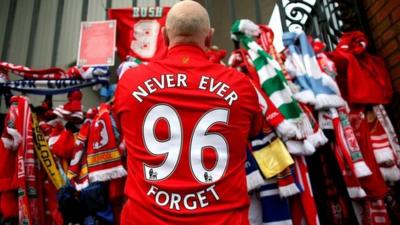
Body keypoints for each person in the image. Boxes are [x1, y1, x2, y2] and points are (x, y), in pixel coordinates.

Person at [115, 1, 263, 224]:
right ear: (209, 37)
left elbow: (123, 128)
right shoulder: (241, 85)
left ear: (164, 36)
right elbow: (255, 131)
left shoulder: (129, 83)